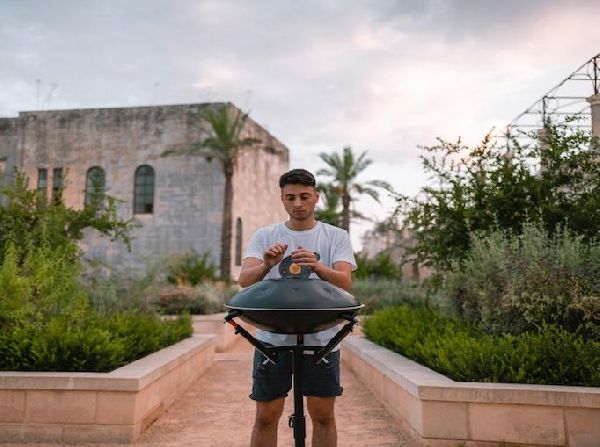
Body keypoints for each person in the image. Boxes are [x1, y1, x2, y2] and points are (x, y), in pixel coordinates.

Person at [239, 168, 356, 447]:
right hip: (271, 340)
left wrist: (317, 266)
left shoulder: (335, 235)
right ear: (282, 199)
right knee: (266, 416)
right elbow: (244, 281)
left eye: (304, 196)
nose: (298, 204)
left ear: (316, 197)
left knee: (323, 415)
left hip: (322, 340)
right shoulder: (265, 235)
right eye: (290, 197)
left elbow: (345, 282)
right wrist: (267, 264)